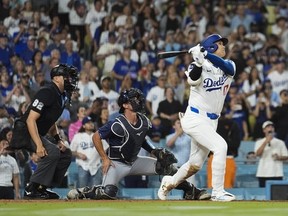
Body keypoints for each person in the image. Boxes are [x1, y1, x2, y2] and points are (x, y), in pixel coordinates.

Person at [67, 88, 210, 200]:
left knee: (166, 166)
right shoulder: (116, 123)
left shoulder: (143, 120)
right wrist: (104, 158)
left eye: (138, 98)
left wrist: (154, 151)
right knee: (108, 193)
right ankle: (84, 192)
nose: (138, 101)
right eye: (133, 100)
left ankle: (191, 191)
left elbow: (141, 139)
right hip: (116, 164)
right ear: (125, 105)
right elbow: (96, 136)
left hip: (135, 161)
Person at [158, 34, 236, 202]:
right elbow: (193, 79)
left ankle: (169, 183)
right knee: (221, 146)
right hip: (195, 118)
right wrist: (200, 61)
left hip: (211, 121)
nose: (224, 46)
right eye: (220, 44)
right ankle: (218, 192)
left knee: (195, 164)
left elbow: (228, 69)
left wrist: (205, 55)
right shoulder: (196, 64)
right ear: (211, 46)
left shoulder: (229, 64)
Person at [9, 64, 79, 199]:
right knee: (52, 152)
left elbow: (51, 120)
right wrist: (39, 145)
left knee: (65, 154)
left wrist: (58, 140)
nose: (70, 80)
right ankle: (31, 189)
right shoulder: (47, 91)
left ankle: (42, 188)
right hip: (24, 131)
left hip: (36, 132)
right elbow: (30, 120)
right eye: (67, 77)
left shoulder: (61, 96)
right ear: (57, 78)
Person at [70, 116, 108, 188]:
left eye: (92, 122)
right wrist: (78, 154)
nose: (91, 124)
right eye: (88, 123)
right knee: (82, 189)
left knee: (96, 189)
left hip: (96, 165)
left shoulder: (98, 136)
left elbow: (106, 149)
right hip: (83, 165)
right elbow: (71, 151)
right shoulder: (78, 136)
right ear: (83, 125)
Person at [254, 121, 288, 187]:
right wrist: (266, 142)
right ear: (264, 130)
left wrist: (279, 157)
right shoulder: (259, 142)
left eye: (272, 127)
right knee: (263, 194)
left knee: (277, 195)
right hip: (263, 173)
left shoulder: (280, 142)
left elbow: (286, 156)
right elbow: (257, 154)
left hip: (277, 173)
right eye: (268, 127)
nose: (270, 128)